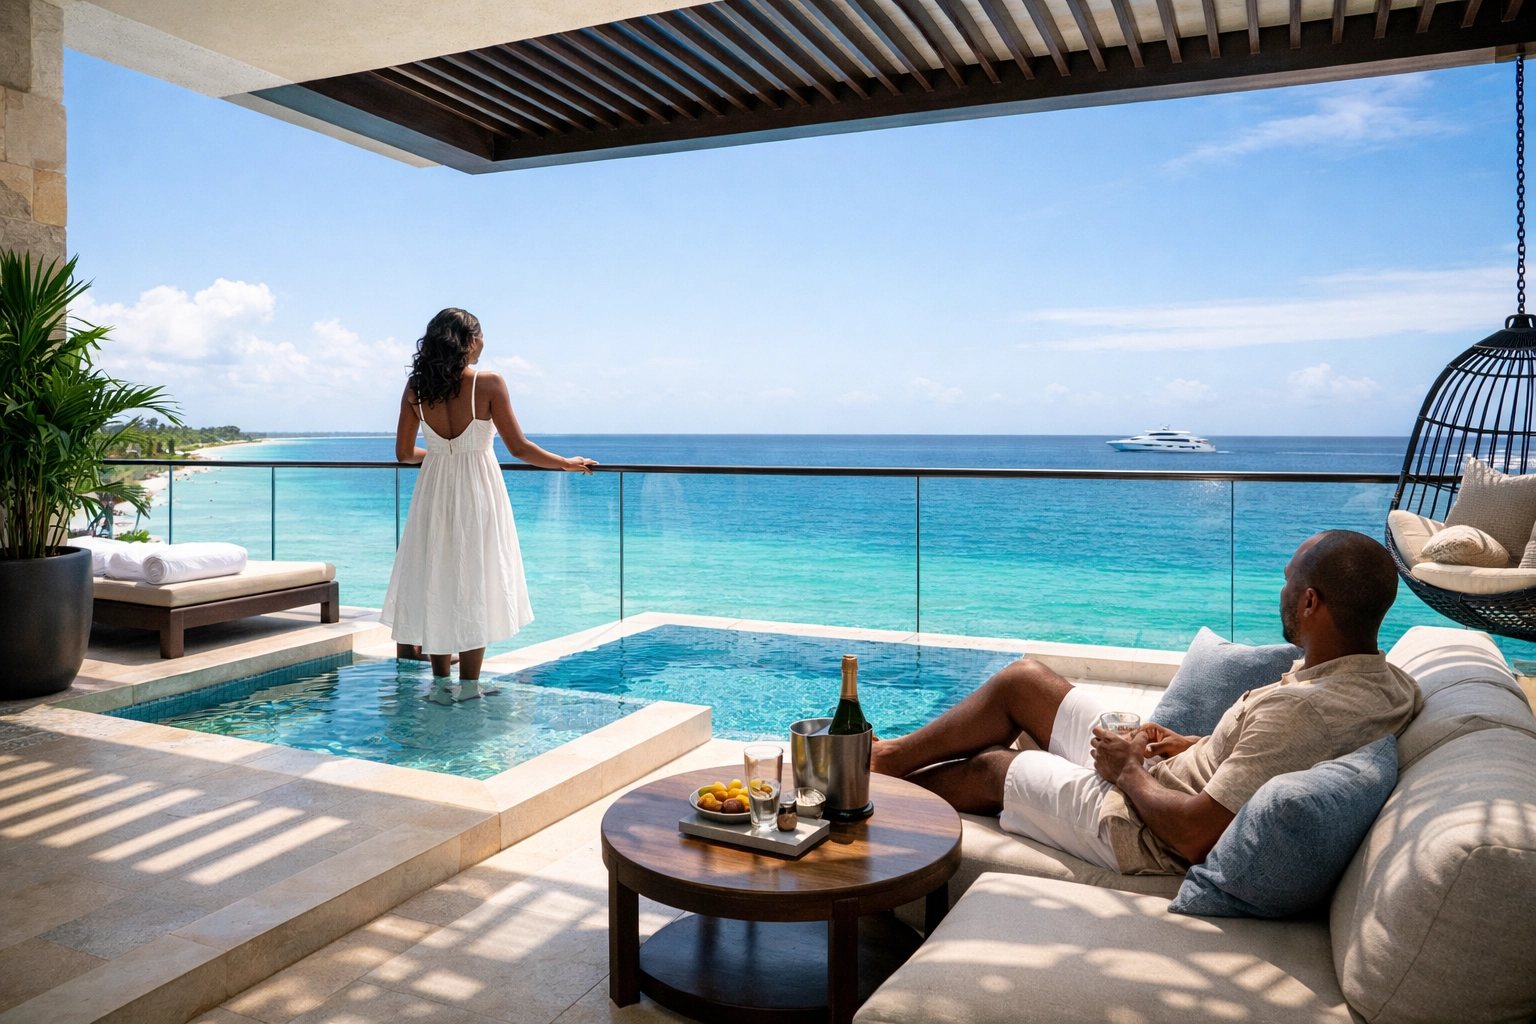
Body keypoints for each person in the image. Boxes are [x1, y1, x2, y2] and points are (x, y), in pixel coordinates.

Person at [870, 530, 1422, 874]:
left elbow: (1195, 837)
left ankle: (868, 802)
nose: (1278, 592)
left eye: (1286, 583)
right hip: (1167, 772)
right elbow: (1265, 754)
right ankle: (886, 761)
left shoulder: (1308, 712)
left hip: (1139, 825)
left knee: (991, 767)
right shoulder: (1387, 681)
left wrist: (1128, 771)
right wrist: (1189, 744)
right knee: (1024, 681)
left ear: (1309, 601)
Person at [381, 308, 595, 704]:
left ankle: (440, 685)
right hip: (478, 491)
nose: (484, 343)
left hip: (433, 489)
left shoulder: (416, 387)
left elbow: (403, 453)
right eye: (481, 336)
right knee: (475, 578)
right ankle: (469, 688)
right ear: (468, 340)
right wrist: (567, 462)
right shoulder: (489, 383)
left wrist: (443, 453)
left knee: (437, 576)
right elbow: (519, 448)